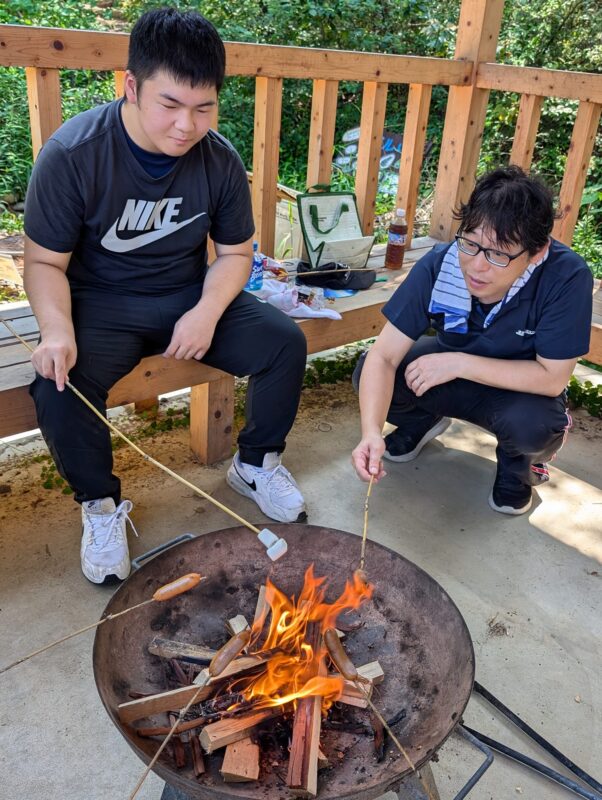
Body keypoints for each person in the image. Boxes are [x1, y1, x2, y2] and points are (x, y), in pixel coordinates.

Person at [23, 8, 307, 585]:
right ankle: (100, 507)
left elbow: (233, 255)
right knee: (57, 382)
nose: (186, 126)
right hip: (100, 303)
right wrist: (56, 329)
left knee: (283, 342)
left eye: (204, 108)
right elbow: (44, 262)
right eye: (170, 105)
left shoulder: (219, 159)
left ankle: (254, 464)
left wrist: (206, 311)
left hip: (187, 293)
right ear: (131, 85)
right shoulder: (74, 154)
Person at [352, 166, 593, 515]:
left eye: (499, 254)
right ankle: (421, 421)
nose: (477, 267)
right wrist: (371, 432)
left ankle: (517, 468)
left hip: (521, 389)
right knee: (369, 375)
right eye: (471, 243)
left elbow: (553, 377)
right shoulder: (442, 263)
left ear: (536, 252)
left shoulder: (566, 276)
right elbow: (384, 357)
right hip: (453, 371)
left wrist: (458, 363)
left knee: (533, 428)